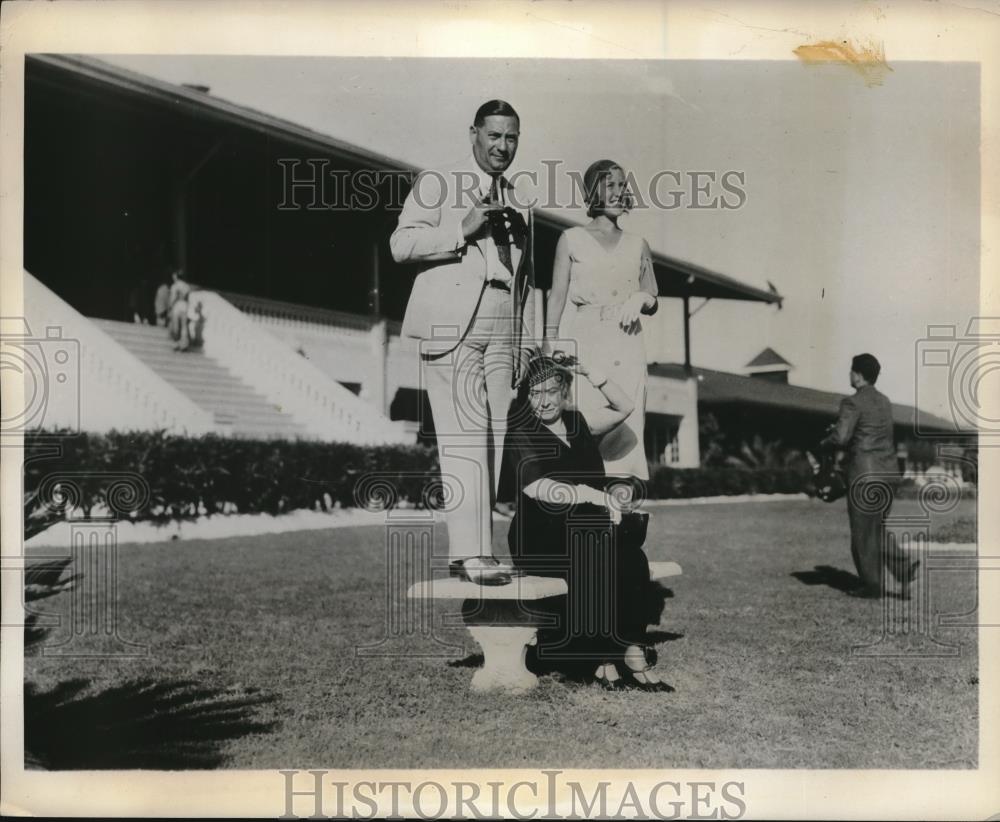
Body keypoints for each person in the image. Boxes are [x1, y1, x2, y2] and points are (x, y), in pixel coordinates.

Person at [390, 99, 536, 584]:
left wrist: (520, 343)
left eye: (511, 137)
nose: (502, 146)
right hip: (454, 323)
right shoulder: (439, 182)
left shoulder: (520, 198)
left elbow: (525, 281)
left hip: (501, 325)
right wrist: (460, 229)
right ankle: (469, 554)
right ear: (473, 133)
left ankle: (481, 552)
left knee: (492, 440)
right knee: (463, 438)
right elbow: (401, 244)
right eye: (494, 135)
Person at [500, 354, 670, 691]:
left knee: (631, 556)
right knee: (598, 553)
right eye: (536, 393)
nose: (545, 400)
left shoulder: (578, 423)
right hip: (539, 535)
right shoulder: (523, 430)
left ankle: (630, 650)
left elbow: (624, 407)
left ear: (564, 391)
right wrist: (595, 497)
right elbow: (541, 489)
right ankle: (605, 657)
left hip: (588, 527)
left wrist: (593, 371)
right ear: (525, 396)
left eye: (552, 390)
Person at [545, 159, 659, 483]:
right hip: (586, 342)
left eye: (623, 185)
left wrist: (640, 299)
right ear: (592, 190)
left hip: (628, 342)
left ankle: (620, 517)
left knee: (626, 428)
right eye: (610, 184)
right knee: (585, 421)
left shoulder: (639, 244)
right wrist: (548, 347)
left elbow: (652, 295)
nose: (619, 191)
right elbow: (556, 297)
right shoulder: (571, 239)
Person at [820, 353, 918, 598]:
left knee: (864, 532)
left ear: (858, 374)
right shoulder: (884, 402)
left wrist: (826, 441)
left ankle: (872, 585)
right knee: (875, 528)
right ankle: (904, 570)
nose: (849, 375)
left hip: (864, 473)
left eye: (851, 371)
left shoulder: (852, 403)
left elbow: (841, 437)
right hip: (888, 473)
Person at [167, 269, 192, 351]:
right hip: (185, 305)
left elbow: (173, 297)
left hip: (177, 305)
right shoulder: (187, 286)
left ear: (177, 277)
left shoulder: (175, 286)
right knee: (184, 325)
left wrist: (170, 306)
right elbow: (188, 298)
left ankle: (176, 343)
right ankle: (184, 343)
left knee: (176, 324)